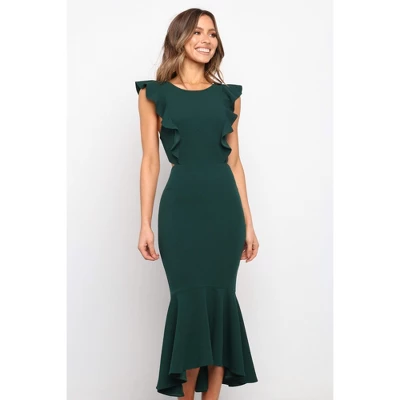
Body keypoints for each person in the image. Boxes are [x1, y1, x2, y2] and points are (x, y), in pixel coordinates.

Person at [135, 8, 259, 400]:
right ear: (180, 38)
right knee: (189, 305)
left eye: (212, 33)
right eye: (197, 32)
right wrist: (145, 223)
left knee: (220, 304)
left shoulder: (228, 97)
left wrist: (248, 224)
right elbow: (150, 161)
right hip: (181, 213)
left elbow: (234, 162)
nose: (206, 40)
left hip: (224, 212)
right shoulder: (153, 94)